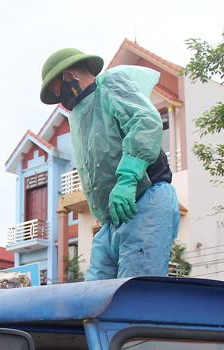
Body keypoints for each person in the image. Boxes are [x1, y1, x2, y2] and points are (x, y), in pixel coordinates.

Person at [40, 48, 180, 281]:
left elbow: (145, 123)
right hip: (111, 222)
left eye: (58, 90)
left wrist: (127, 179)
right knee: (95, 296)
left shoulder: (111, 86)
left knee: (134, 292)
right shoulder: (80, 116)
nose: (61, 98)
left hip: (145, 202)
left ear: (69, 76)